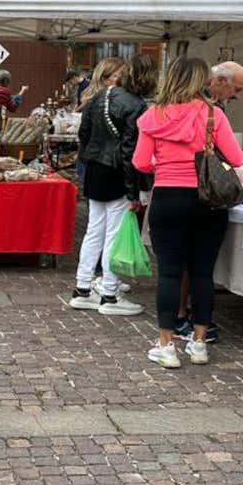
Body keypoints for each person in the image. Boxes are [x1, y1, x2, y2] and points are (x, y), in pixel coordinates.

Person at [133, 57, 243, 369]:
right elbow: (235, 157)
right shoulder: (213, 114)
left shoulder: (153, 114)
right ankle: (198, 343)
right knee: (202, 273)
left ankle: (166, 345)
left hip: (169, 197)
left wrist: (164, 163)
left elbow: (141, 162)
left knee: (169, 273)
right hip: (207, 200)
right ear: (202, 81)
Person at [70, 53, 157, 317]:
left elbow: (83, 133)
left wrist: (89, 156)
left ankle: (83, 288)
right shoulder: (136, 105)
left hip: (95, 167)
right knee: (114, 233)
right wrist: (134, 190)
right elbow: (131, 150)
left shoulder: (97, 97)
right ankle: (109, 293)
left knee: (94, 230)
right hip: (117, 172)